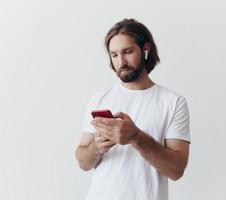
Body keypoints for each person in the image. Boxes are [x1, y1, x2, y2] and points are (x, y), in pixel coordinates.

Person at [75, 18, 191, 200]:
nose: (121, 61)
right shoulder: (99, 98)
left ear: (146, 49)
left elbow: (176, 170)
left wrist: (136, 137)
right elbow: (83, 161)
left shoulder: (173, 102)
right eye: (114, 55)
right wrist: (96, 147)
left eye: (127, 52)